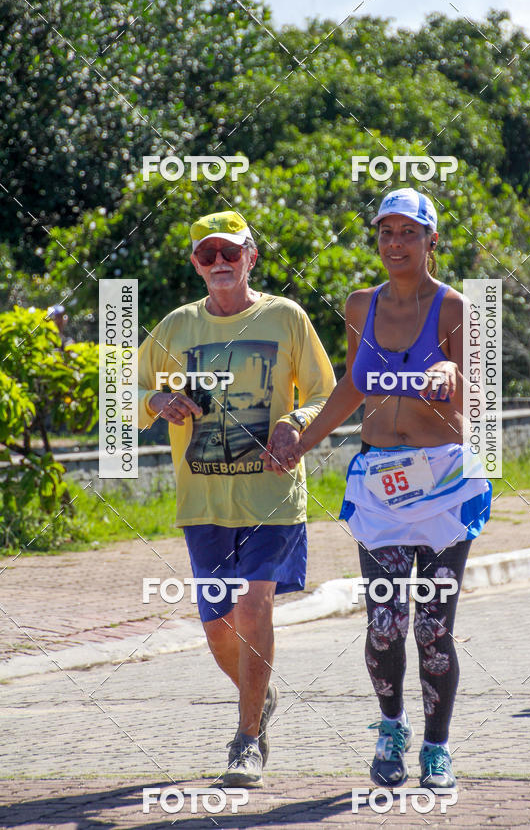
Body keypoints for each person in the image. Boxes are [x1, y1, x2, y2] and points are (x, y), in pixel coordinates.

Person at [270, 188, 492, 791]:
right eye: (386, 233)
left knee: (433, 626)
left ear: (431, 241)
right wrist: (303, 440)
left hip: (444, 480)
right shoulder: (359, 303)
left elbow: (485, 406)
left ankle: (438, 748)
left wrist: (455, 375)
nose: (396, 244)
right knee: (385, 624)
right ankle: (391, 729)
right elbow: (351, 386)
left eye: (409, 233)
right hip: (381, 482)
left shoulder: (457, 310)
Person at [137, 210, 335, 788]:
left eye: (232, 252)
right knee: (219, 628)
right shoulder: (175, 327)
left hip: (272, 496)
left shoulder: (286, 317)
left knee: (254, 609)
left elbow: (328, 392)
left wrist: (296, 420)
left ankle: (246, 739)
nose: (220, 263)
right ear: (196, 265)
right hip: (203, 502)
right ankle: (261, 696)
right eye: (208, 254)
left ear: (252, 257)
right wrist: (155, 403)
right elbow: (121, 394)